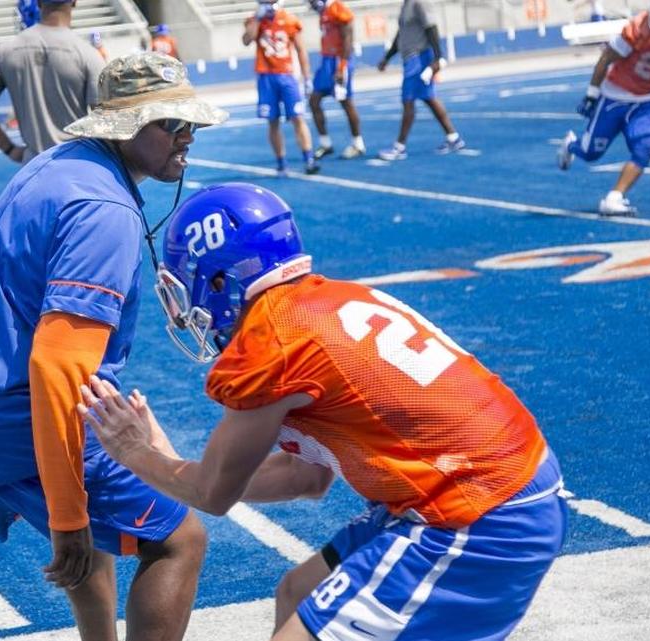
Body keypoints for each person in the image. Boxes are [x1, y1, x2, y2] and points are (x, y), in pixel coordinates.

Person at [78, 182, 568, 641]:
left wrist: (134, 451)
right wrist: (172, 463)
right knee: (299, 591)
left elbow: (213, 493)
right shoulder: (328, 300)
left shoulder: (274, 341)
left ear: (221, 278)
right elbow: (302, 477)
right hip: (501, 490)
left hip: (475, 514)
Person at [0, 53, 227, 641]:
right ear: (127, 128)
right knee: (179, 542)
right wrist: (66, 516)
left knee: (101, 527)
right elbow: (57, 367)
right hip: (14, 410)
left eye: (190, 122)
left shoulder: (64, 163)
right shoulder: (105, 211)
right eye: (171, 123)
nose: (189, 135)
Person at [558, 0, 650, 216]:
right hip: (614, 96)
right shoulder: (637, 28)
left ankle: (614, 198)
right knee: (590, 154)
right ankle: (570, 145)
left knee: (646, 147)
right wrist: (592, 94)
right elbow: (606, 58)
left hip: (644, 101)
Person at [0, 0, 105, 163]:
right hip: (76, 163)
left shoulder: (8, 50)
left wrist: (9, 148)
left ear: (39, 3)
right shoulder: (87, 54)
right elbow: (105, 117)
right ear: (74, 2)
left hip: (33, 165)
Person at [376, 0, 465, 160]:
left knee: (408, 100)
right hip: (412, 57)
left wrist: (438, 57)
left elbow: (431, 27)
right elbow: (401, 34)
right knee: (429, 98)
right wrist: (387, 58)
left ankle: (399, 147)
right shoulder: (407, 4)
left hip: (419, 58)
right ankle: (454, 138)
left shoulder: (419, 2)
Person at [243, 0, 319, 175]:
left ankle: (309, 159)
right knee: (273, 121)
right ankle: (281, 163)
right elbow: (247, 40)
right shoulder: (254, 19)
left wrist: (307, 76)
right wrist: (257, 18)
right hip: (266, 77)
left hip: (287, 75)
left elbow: (300, 49)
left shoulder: (290, 19)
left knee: (298, 117)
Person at [307, 0, 365, 160]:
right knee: (314, 101)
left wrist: (342, 66)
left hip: (339, 60)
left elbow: (348, 36)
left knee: (345, 101)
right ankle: (326, 144)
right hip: (327, 61)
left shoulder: (337, 8)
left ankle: (358, 143)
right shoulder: (324, 12)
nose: (310, 4)